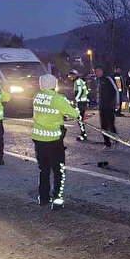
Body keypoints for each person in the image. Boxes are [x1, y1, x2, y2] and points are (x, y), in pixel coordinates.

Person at [32, 74, 81, 209]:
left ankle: (43, 198)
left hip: (38, 140)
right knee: (59, 171)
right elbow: (74, 114)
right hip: (54, 141)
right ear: (55, 84)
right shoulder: (58, 99)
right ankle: (57, 201)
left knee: (44, 170)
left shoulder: (37, 97)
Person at [94, 66, 119, 148]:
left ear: (102, 71)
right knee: (103, 126)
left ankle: (115, 140)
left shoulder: (108, 79)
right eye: (95, 72)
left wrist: (116, 103)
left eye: (97, 71)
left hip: (109, 107)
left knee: (110, 124)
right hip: (102, 107)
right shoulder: (99, 81)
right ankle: (107, 143)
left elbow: (116, 91)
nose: (96, 73)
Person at [71, 70, 89, 141]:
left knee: (79, 118)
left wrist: (76, 99)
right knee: (80, 118)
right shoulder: (81, 81)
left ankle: (83, 134)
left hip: (80, 102)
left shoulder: (77, 81)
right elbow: (86, 91)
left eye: (72, 75)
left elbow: (80, 91)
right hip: (83, 102)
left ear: (76, 75)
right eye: (71, 75)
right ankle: (83, 133)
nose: (71, 76)